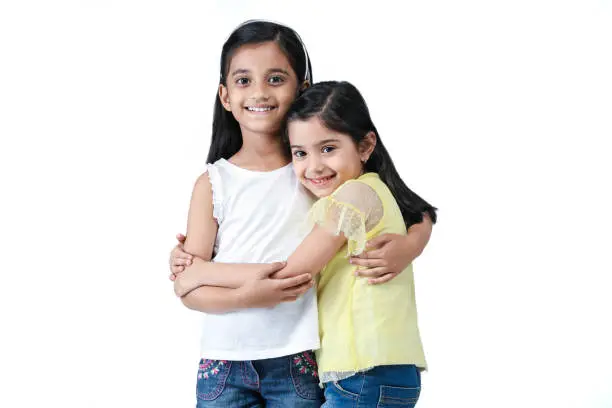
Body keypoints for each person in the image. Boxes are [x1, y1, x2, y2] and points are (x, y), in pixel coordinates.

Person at [170, 20, 434, 407]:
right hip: (224, 361)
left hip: (299, 359)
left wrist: (410, 245)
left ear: (302, 89)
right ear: (225, 95)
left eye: (276, 78)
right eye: (244, 81)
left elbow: (412, 210)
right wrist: (206, 284)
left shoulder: (322, 176)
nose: (259, 91)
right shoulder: (213, 183)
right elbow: (191, 294)